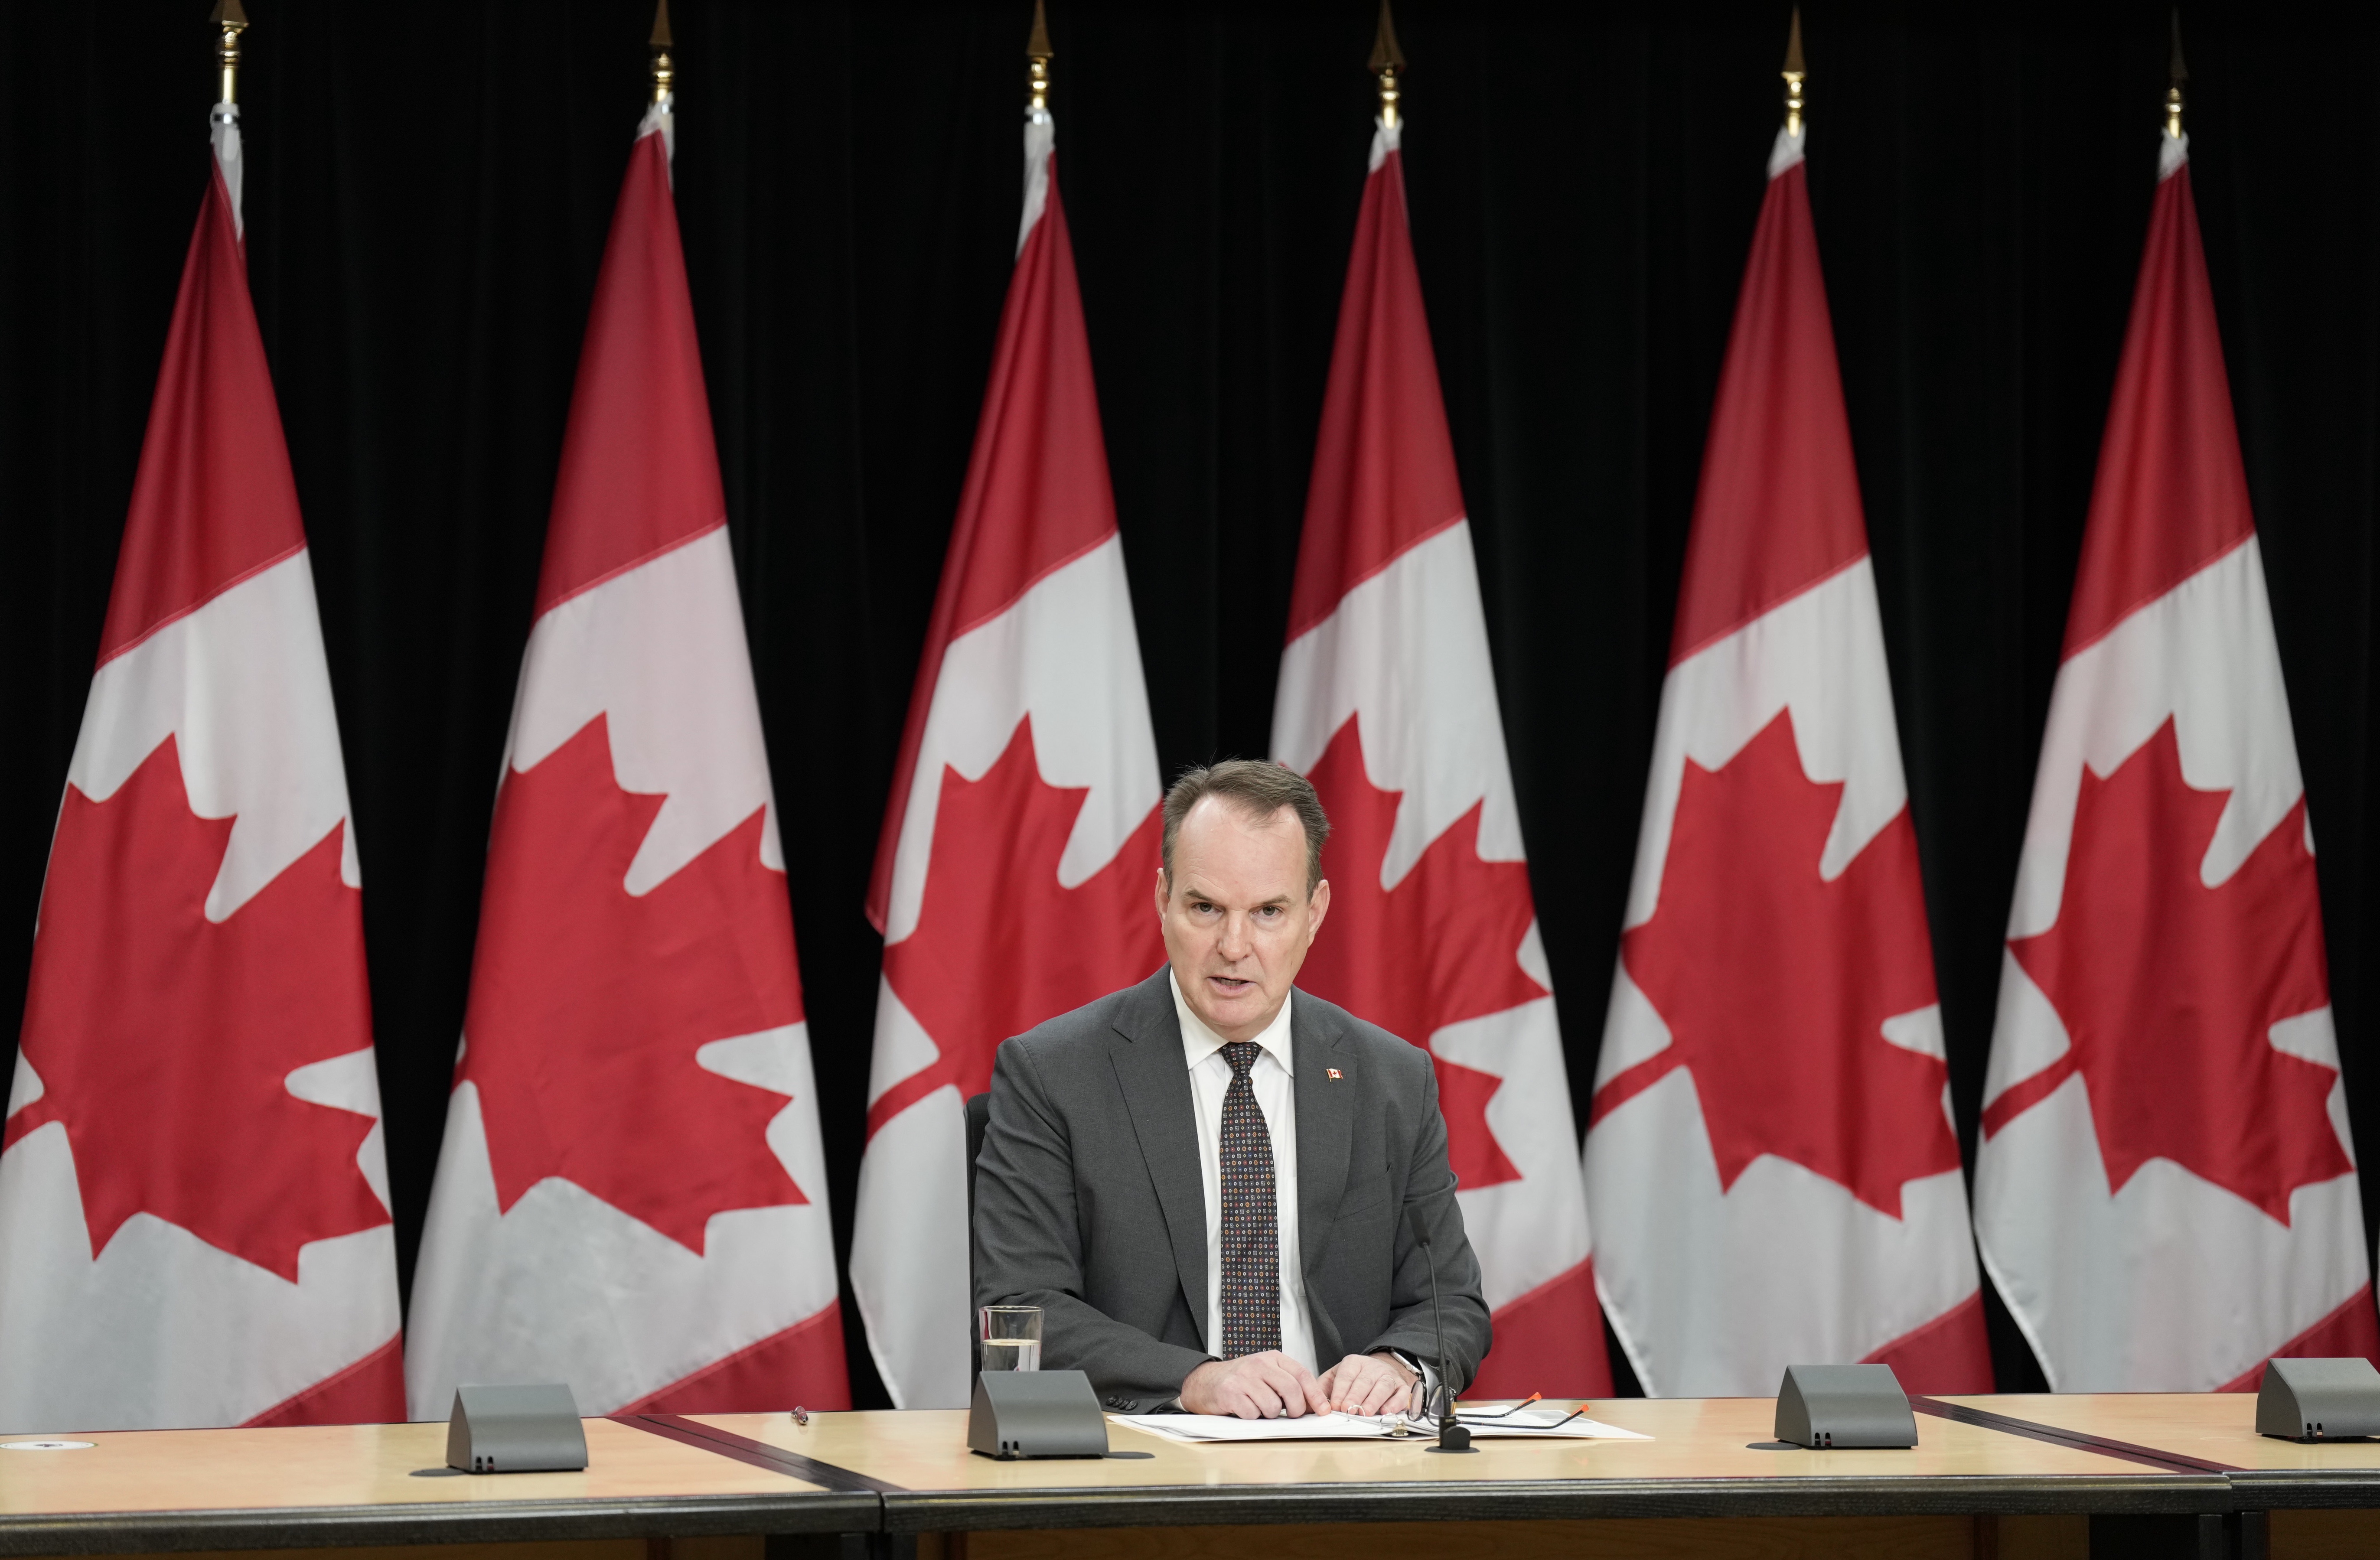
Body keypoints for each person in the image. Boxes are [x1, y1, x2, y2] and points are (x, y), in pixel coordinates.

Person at [972, 760, 1491, 1418]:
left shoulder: (1392, 1078)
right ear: (1163, 900)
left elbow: (1450, 1303)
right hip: (1143, 1467)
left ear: (1314, 913)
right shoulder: (1054, 1074)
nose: (1233, 945)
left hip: (1344, 1463)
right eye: (1205, 908)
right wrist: (1195, 1379)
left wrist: (1400, 1366)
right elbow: (1022, 1308)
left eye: (1268, 911)